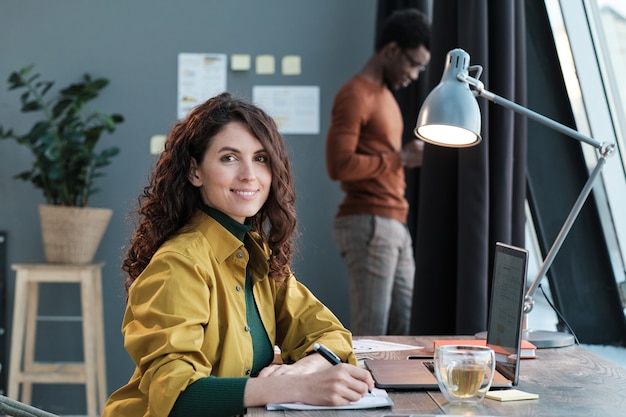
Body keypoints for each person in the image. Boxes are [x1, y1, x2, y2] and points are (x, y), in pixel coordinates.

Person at [103, 92, 374, 417]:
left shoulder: (256, 255)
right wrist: (294, 387)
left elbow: (329, 333)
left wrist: (301, 372)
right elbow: (175, 396)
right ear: (195, 171)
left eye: (261, 158)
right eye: (229, 158)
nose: (249, 174)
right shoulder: (179, 263)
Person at [325, 9, 431, 336]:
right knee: (372, 334)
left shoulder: (386, 98)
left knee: (404, 330)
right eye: (413, 64)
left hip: (394, 221)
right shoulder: (355, 95)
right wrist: (400, 158)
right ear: (391, 51)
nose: (414, 75)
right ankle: (363, 390)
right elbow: (338, 165)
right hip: (368, 222)